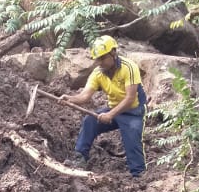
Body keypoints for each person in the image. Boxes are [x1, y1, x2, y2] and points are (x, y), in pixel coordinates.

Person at [63, 36, 148, 178]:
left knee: (132, 135)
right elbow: (85, 96)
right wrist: (70, 99)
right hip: (114, 109)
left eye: (103, 58)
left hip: (133, 111)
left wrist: (110, 115)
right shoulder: (98, 73)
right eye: (98, 59)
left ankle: (138, 174)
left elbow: (130, 98)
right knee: (89, 121)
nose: (100, 62)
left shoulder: (129, 67)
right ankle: (79, 158)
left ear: (113, 53)